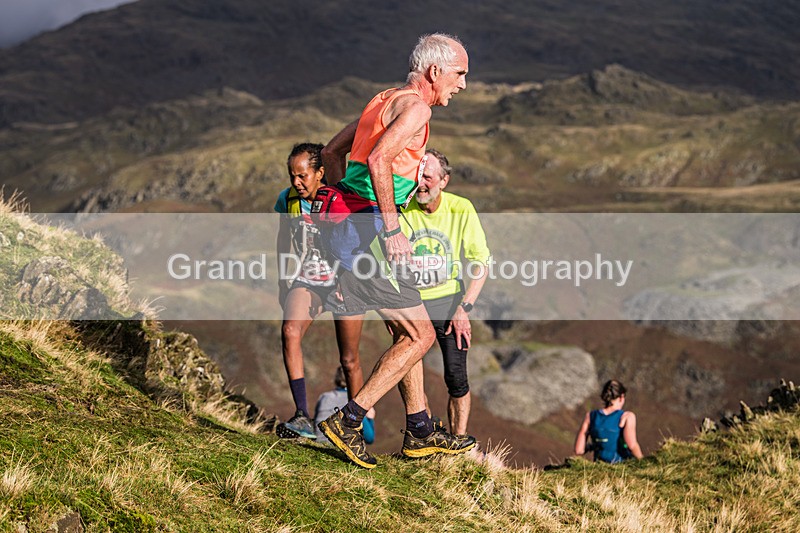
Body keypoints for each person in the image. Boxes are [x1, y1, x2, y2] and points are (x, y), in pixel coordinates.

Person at [317, 33, 475, 468]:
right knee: (421, 335)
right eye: (460, 74)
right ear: (435, 71)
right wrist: (389, 228)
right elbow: (380, 160)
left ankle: (420, 428)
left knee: (410, 330)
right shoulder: (418, 107)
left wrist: (336, 202)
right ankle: (348, 420)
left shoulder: (383, 99)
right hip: (371, 229)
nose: (462, 84)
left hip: (350, 225)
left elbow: (331, 151)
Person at [273, 143, 367, 440]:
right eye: (292, 176)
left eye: (302, 176)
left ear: (320, 173)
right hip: (309, 279)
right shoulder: (288, 200)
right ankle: (302, 416)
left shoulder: (337, 199)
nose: (296, 183)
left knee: (349, 360)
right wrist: (282, 280)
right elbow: (283, 239)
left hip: (346, 281)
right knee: (290, 332)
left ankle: (356, 428)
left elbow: (357, 243)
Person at [402, 148, 490, 436]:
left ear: (444, 180)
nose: (420, 184)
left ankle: (459, 442)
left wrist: (464, 308)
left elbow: (480, 262)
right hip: (412, 301)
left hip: (449, 300)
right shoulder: (403, 209)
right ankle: (424, 436)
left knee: (456, 376)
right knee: (410, 372)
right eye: (417, 176)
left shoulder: (461, 208)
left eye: (427, 177)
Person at [574, 379, 644, 463]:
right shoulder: (627, 416)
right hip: (621, 467)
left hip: (599, 467)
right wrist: (642, 462)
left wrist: (593, 446)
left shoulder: (590, 416)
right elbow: (631, 445)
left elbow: (578, 450)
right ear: (621, 397)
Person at [314, 367, 375, 445]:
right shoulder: (356, 401)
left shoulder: (324, 397)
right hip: (339, 446)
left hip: (319, 442)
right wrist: (370, 419)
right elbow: (369, 437)